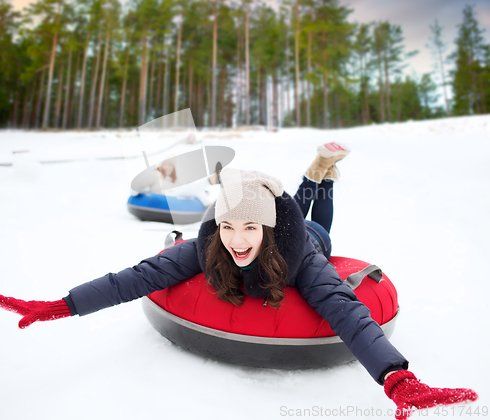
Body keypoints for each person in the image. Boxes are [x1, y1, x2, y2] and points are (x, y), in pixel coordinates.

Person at [0, 143, 477, 420]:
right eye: (228, 227)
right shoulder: (209, 244)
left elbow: (347, 311)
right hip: (278, 220)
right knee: (260, 224)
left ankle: (321, 177)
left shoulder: (303, 262)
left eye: (248, 228)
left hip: (306, 238)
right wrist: (61, 306)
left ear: (266, 229)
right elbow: (140, 276)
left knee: (322, 226)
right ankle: (316, 172)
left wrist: (396, 377)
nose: (236, 240)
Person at [131, 158, 220, 208]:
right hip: (163, 198)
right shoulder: (156, 174)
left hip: (175, 196)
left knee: (190, 185)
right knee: (189, 186)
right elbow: (139, 185)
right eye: (165, 164)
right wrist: (139, 193)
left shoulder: (173, 180)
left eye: (170, 165)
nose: (167, 167)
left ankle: (209, 204)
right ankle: (210, 181)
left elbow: (185, 189)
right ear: (161, 165)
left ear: (173, 168)